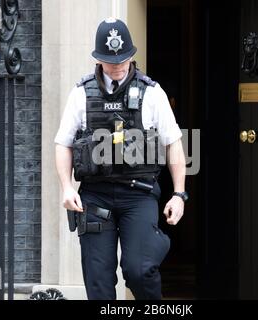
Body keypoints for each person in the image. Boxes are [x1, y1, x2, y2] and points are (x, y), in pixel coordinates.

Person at [54, 17, 188, 300]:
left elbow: (173, 143)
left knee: (139, 271)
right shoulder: (81, 93)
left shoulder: (152, 92)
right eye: (110, 60)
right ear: (98, 58)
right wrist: (67, 187)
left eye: (123, 59)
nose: (117, 66)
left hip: (138, 194)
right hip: (95, 196)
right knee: (98, 280)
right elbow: (63, 143)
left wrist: (179, 194)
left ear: (131, 55)